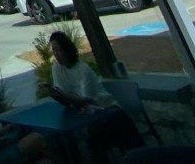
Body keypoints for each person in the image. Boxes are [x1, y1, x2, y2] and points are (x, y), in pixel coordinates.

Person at [48, 31, 143, 162]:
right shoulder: (57, 69)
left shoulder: (83, 69)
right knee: (61, 139)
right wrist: (57, 96)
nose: (56, 54)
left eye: (58, 50)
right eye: (54, 50)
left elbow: (85, 99)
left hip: (107, 109)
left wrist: (64, 96)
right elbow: (65, 98)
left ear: (67, 50)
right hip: (87, 113)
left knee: (95, 135)